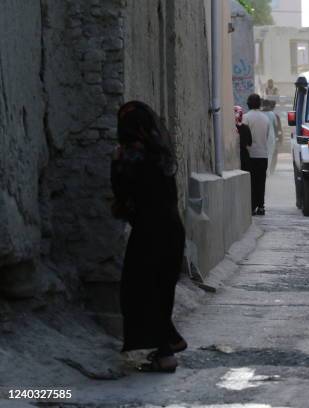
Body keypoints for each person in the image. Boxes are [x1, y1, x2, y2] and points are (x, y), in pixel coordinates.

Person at [110, 101, 187, 373]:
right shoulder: (161, 154)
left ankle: (165, 355)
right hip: (173, 229)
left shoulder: (129, 157)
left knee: (140, 291)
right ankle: (173, 339)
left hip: (149, 231)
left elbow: (123, 199)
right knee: (160, 289)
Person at [243, 94, 271, 215]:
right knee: (261, 182)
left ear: (249, 104)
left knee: (252, 182)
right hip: (263, 155)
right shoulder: (265, 118)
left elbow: (244, 137)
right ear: (259, 104)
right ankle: (261, 206)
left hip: (250, 155)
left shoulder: (245, 117)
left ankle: (252, 206)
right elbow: (267, 135)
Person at [262, 99, 279, 175]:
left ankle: (264, 170)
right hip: (270, 137)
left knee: (262, 154)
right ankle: (267, 171)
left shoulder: (260, 113)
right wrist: (277, 137)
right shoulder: (272, 114)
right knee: (269, 154)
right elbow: (276, 127)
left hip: (262, 136)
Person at [234, 106, 252, 172]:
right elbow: (250, 143)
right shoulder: (246, 128)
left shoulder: (231, 127)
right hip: (244, 156)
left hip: (233, 157)